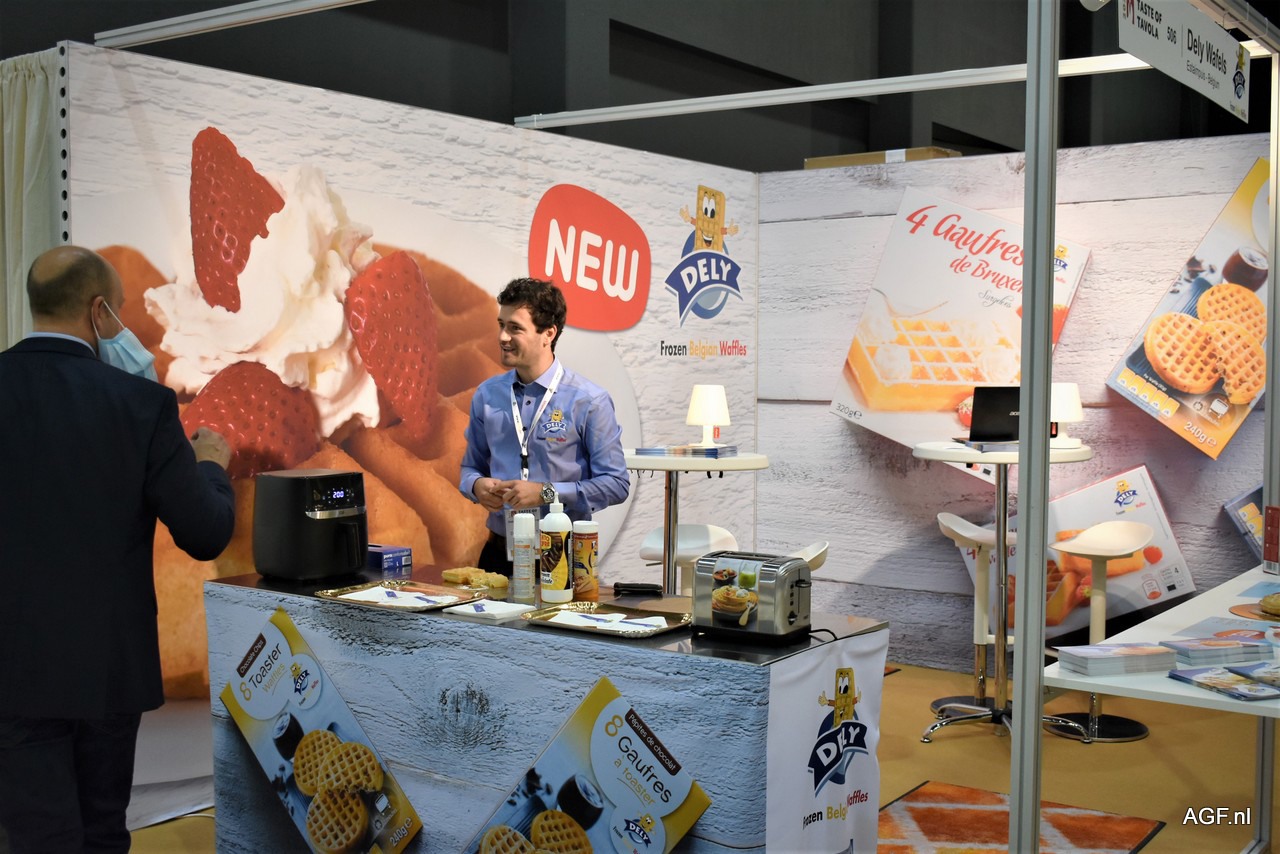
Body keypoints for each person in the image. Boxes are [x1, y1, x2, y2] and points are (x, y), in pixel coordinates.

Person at [0, 245, 236, 853]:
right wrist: (210, 465)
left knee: (33, 836)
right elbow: (205, 531)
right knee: (103, 832)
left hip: (12, 666)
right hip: (105, 667)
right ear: (99, 311)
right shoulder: (140, 404)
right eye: (121, 312)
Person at [460, 277, 629, 573]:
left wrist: (546, 493)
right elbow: (469, 468)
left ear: (548, 333)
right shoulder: (487, 395)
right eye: (501, 325)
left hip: (562, 553)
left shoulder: (589, 401)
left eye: (515, 328)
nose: (502, 337)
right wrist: (476, 485)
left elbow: (616, 484)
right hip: (499, 553)